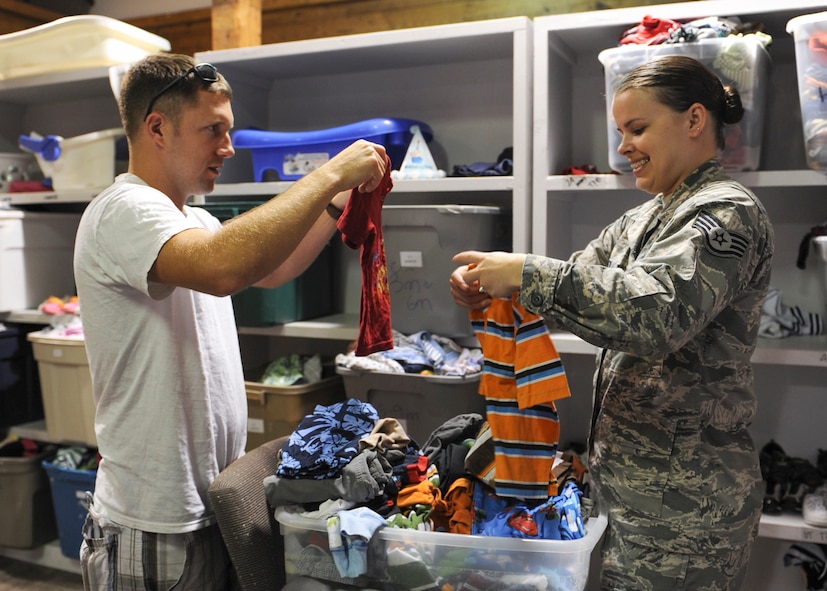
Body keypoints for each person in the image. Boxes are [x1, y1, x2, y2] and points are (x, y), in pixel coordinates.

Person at [450, 55, 774, 590]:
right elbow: (581, 287)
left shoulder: (726, 212)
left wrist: (525, 273)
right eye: (620, 131)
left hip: (687, 508)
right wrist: (489, 290)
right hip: (626, 489)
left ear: (695, 120)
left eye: (638, 128)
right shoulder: (642, 219)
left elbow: (655, 315)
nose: (623, 146)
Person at [73, 53, 388, 590]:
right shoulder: (123, 208)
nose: (229, 147)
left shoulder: (190, 217)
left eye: (229, 130)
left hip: (208, 506)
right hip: (153, 523)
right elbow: (224, 267)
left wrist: (337, 201)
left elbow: (269, 269)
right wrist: (329, 171)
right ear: (157, 129)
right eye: (212, 130)